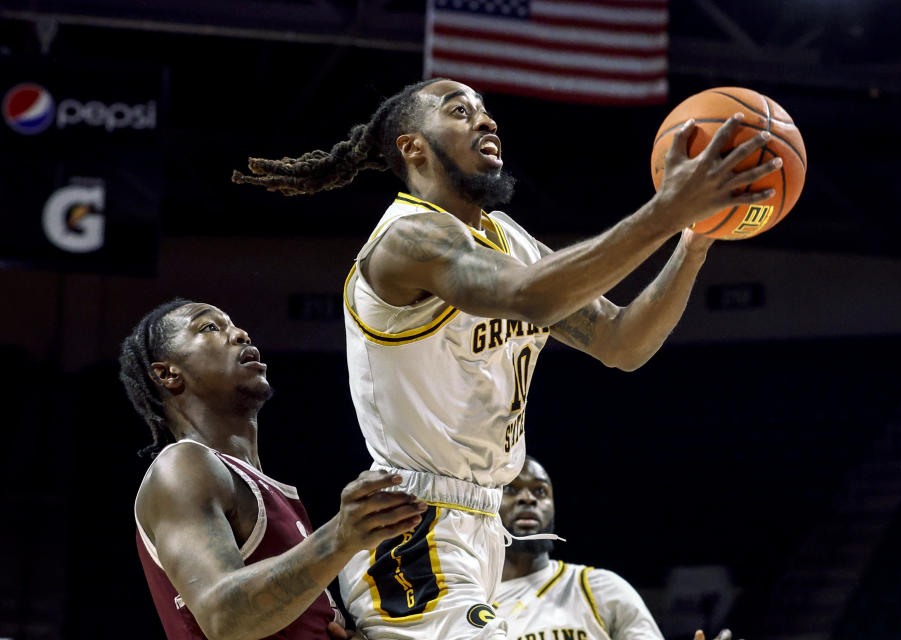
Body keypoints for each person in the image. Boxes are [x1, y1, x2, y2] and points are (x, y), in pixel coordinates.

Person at [232, 78, 780, 640]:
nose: (487, 121)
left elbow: (622, 343)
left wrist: (692, 241)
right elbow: (532, 297)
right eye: (460, 110)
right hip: (410, 524)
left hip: (482, 526)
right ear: (412, 146)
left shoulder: (508, 240)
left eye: (487, 110)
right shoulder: (408, 241)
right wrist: (666, 209)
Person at [120, 299, 428, 640]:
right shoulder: (181, 467)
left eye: (234, 325)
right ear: (167, 373)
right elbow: (224, 617)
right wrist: (339, 537)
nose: (239, 334)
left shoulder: (258, 486)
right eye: (210, 328)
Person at [496, 457, 732, 640]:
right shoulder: (468, 601)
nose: (528, 498)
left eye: (540, 491)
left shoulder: (598, 588)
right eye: (511, 489)